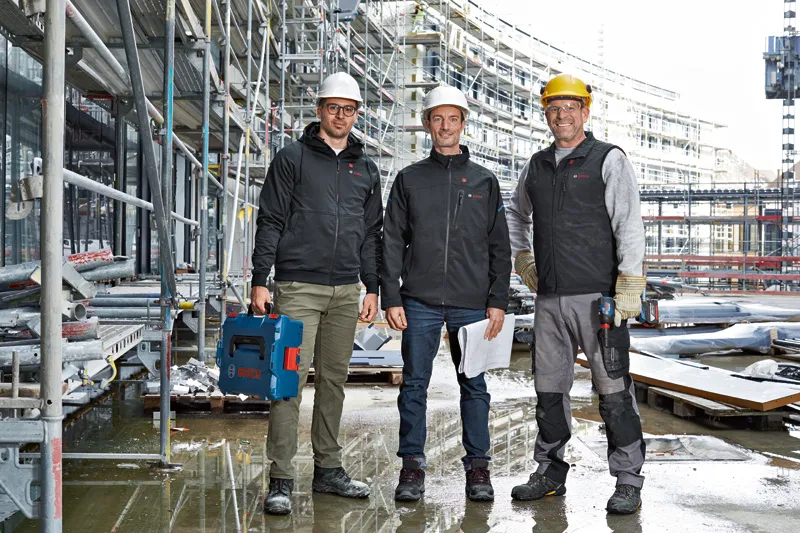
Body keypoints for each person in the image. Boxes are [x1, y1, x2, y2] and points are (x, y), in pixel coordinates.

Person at [506, 73, 647, 515]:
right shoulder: (536, 165)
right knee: (549, 391)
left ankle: (628, 480)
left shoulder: (608, 159)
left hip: (599, 300)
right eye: (554, 108)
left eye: (570, 107)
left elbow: (628, 221)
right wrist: (522, 259)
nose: (562, 115)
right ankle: (549, 472)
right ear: (545, 114)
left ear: (585, 112)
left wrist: (630, 282)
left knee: (613, 391)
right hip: (550, 300)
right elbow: (515, 213)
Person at [250, 71, 383, 515]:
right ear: (320, 110)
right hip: (298, 287)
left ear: (356, 114)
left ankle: (328, 469)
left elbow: (372, 234)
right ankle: (281, 478)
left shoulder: (366, 169)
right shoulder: (292, 158)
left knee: (333, 382)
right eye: (333, 108)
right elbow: (270, 219)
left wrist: (372, 288)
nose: (341, 116)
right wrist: (260, 278)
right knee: (288, 382)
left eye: (349, 109)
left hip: (346, 290)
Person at [381, 85, 512, 503]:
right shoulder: (410, 179)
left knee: (474, 386)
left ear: (463, 123)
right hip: (418, 300)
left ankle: (478, 467)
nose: (445, 126)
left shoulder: (485, 181)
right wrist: (391, 297)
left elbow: (500, 246)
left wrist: (497, 300)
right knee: (414, 385)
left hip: (471, 302)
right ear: (427, 124)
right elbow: (391, 240)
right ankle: (411, 466)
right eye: (437, 118)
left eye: (452, 118)